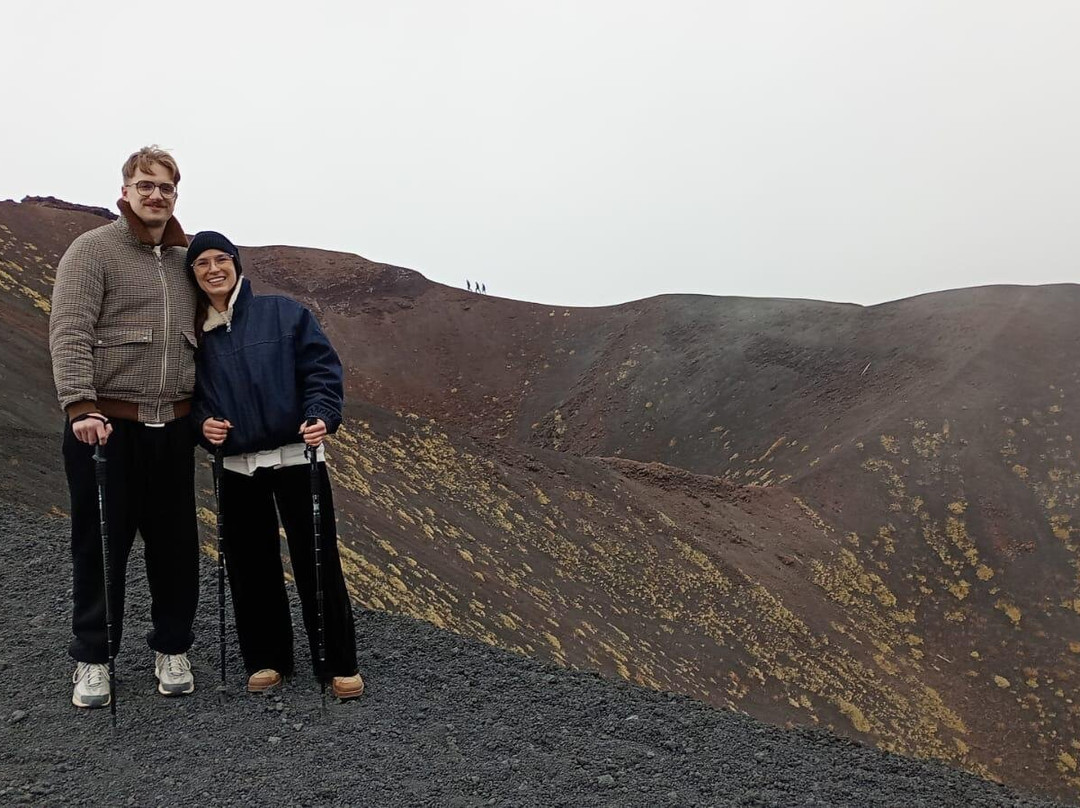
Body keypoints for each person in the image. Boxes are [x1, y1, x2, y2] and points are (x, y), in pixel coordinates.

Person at [48, 146, 199, 708]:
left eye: (165, 187)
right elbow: (70, 330)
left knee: (176, 545)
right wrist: (80, 406)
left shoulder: (187, 259)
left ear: (176, 194)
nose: (155, 194)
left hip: (174, 429)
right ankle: (93, 658)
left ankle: (172, 647)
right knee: (100, 545)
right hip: (104, 428)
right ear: (126, 190)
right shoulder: (93, 250)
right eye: (145, 184)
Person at [188, 231, 364, 699]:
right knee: (250, 565)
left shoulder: (283, 312)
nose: (212, 269)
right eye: (201, 263)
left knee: (317, 559)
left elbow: (321, 370)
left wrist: (322, 416)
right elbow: (191, 399)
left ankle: (338, 664)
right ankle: (267, 660)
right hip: (238, 464)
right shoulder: (192, 335)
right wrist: (204, 425)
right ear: (193, 274)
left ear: (236, 263)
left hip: (296, 456)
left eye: (220, 259)